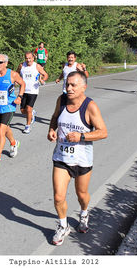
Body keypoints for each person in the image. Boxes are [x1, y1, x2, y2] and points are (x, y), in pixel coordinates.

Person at [47, 71, 108, 246]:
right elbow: (54, 118)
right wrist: (52, 130)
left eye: (74, 85)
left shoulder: (90, 106)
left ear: (84, 87)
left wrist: (81, 136)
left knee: (81, 194)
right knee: (58, 197)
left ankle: (84, 212)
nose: (69, 88)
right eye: (67, 84)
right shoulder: (62, 100)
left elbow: (103, 132)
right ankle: (63, 225)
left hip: (82, 159)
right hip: (61, 158)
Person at [0, 54, 26, 167]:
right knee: (6, 128)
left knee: (1, 131)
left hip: (9, 106)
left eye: (0, 62)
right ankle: (14, 143)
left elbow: (23, 84)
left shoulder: (13, 74)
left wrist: (20, 97)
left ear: (6, 63)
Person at [16, 51, 49, 134]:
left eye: (30, 58)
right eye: (26, 58)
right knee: (23, 110)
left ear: (33, 58)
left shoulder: (36, 66)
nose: (28, 60)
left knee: (28, 109)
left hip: (33, 91)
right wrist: (16, 80)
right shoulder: (21, 65)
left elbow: (45, 75)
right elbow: (16, 74)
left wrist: (42, 80)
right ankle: (32, 114)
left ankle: (27, 126)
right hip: (23, 90)